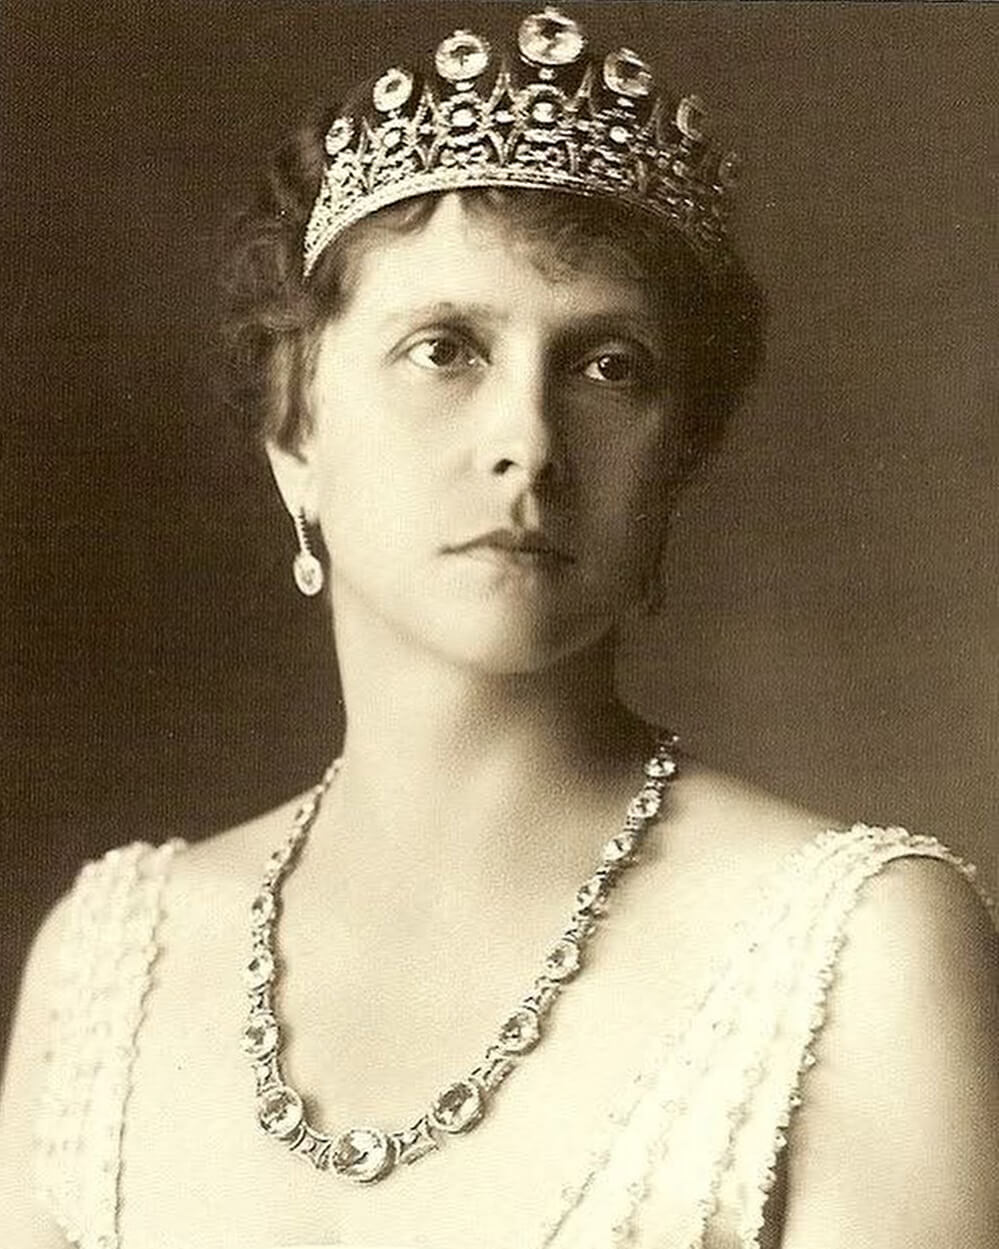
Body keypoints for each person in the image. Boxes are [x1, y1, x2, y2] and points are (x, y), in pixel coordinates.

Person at [0, 7, 995, 1248]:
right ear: (294, 441)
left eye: (609, 365)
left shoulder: (862, 955)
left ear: (677, 463)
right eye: (444, 350)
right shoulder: (108, 969)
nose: (526, 438)